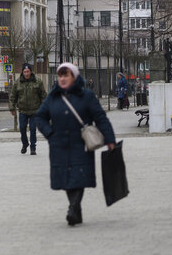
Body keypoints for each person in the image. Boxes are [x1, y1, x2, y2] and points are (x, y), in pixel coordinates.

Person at [33, 62, 116, 226]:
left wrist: (110, 140)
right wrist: (50, 133)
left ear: (74, 77)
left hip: (81, 144)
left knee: (79, 175)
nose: (62, 79)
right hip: (59, 145)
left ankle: (72, 208)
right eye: (60, 75)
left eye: (66, 75)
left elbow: (100, 118)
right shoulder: (53, 96)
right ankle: (75, 209)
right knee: (65, 178)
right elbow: (39, 117)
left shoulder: (86, 96)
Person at [9, 63, 47, 155]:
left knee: (33, 129)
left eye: (28, 71)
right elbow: (13, 96)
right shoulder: (17, 83)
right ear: (22, 72)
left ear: (31, 71)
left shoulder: (38, 81)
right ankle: (25, 143)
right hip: (23, 110)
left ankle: (33, 147)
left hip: (35, 110)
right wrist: (12, 108)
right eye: (25, 72)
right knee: (22, 128)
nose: (26, 73)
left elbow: (43, 95)